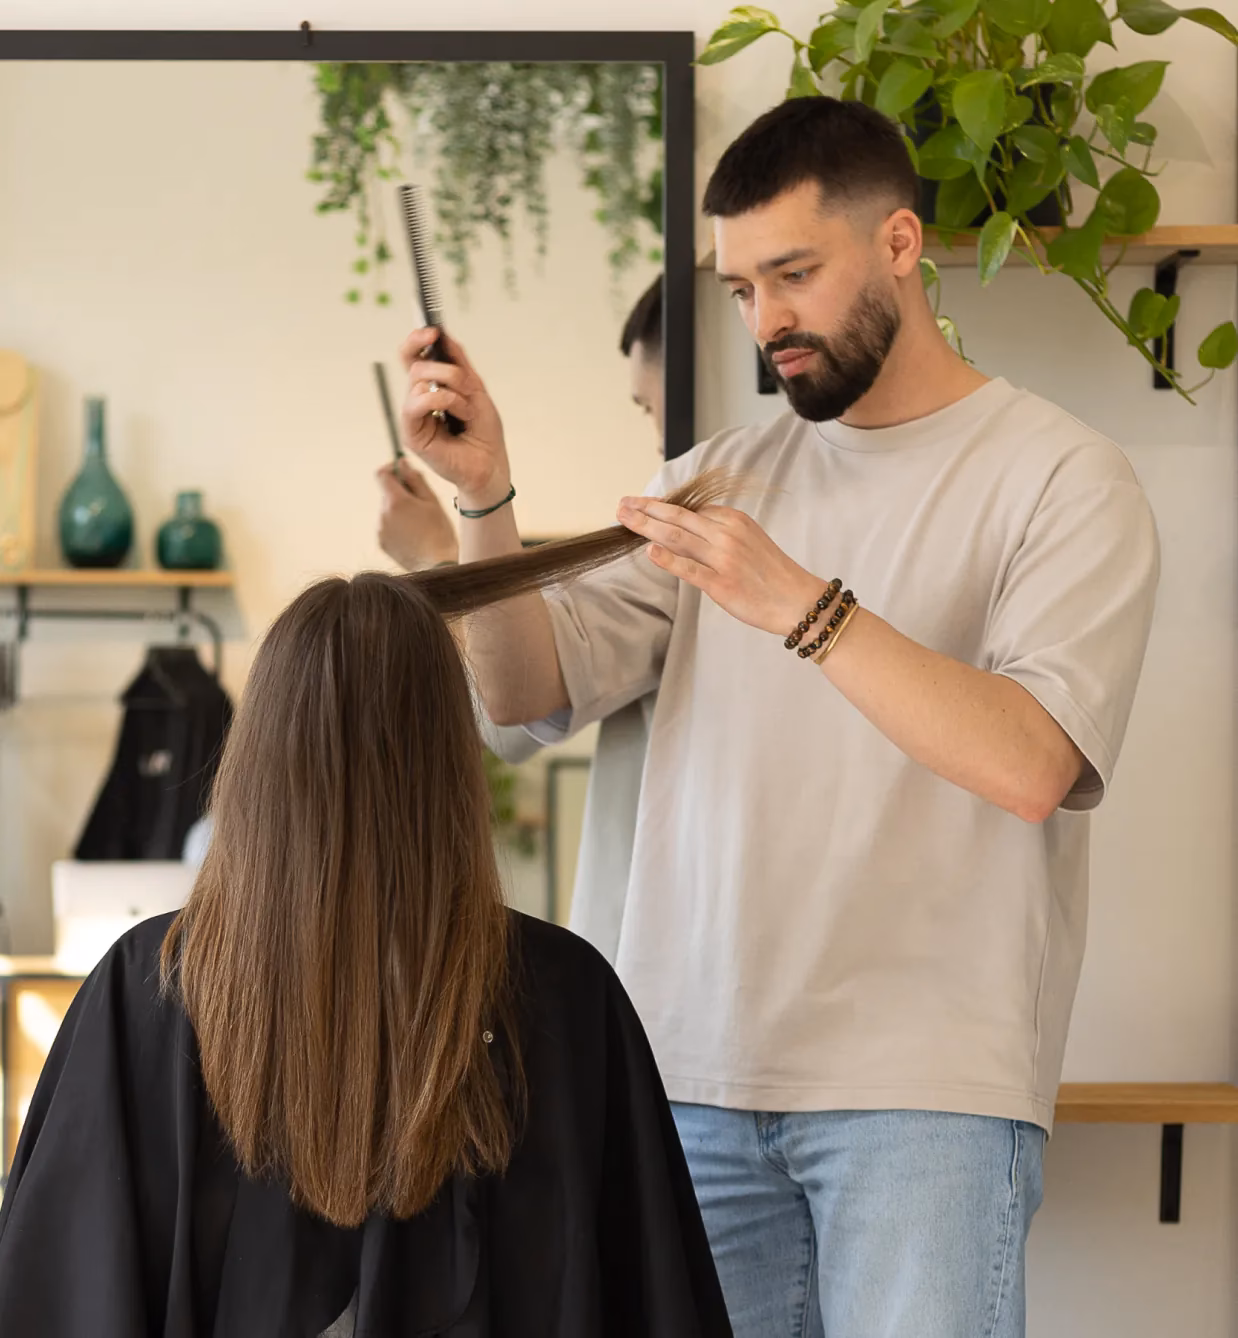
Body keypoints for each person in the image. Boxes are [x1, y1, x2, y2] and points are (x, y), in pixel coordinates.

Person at [396, 97, 1161, 1338]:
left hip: (926, 1097)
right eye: (743, 288)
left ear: (901, 246)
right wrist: (486, 497)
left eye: (794, 275)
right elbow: (523, 697)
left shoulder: (1062, 477)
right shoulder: (709, 482)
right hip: (687, 1084)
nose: (767, 323)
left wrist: (801, 604)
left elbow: (1031, 761)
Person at [0, 533, 735, 1336]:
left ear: (256, 758)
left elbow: (57, 1294)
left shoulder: (150, 987)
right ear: (449, 761)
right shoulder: (563, 993)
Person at [376, 273, 664, 960]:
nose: (665, 453)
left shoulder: (681, 541)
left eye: (658, 414)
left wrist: (438, 559)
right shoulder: (670, 547)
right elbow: (513, 701)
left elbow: (500, 713)